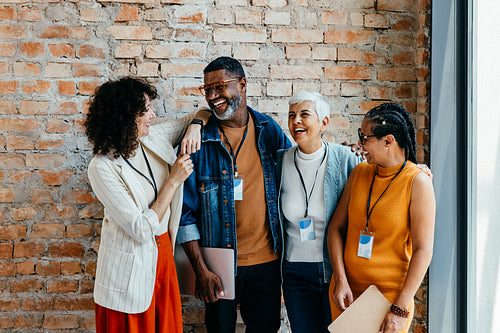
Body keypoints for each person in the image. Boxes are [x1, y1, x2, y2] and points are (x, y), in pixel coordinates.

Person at [84, 77, 210, 332]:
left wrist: (195, 126)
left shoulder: (153, 137)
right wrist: (173, 181)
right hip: (129, 269)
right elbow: (141, 229)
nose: (153, 115)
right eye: (145, 110)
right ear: (124, 117)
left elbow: (202, 112)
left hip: (163, 256)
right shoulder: (102, 167)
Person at [177, 56, 291, 333]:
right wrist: (200, 271)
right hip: (218, 266)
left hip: (267, 263)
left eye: (220, 86)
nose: (213, 96)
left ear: (242, 84)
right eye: (207, 89)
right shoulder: (198, 141)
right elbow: (184, 214)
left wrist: (347, 152)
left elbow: (300, 164)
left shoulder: (268, 130)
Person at [327, 103, 435, 333]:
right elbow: (335, 228)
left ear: (388, 141)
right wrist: (340, 281)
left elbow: (423, 250)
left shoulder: (417, 182)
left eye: (365, 138)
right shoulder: (360, 172)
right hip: (346, 297)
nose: (360, 144)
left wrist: (400, 309)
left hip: (389, 303)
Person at [275, 91, 362, 333]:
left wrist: (417, 170)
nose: (296, 122)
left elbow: (382, 176)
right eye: (291, 116)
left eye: (304, 114)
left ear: (324, 122)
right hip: (294, 272)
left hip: (335, 269)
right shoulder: (279, 161)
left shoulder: (346, 158)